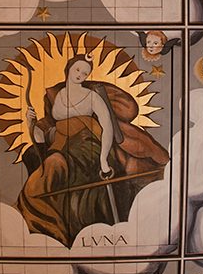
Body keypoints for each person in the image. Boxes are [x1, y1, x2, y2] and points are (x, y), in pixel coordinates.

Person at [16, 55, 169, 245]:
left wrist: (104, 160)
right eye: (77, 69)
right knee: (39, 158)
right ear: (68, 69)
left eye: (85, 72)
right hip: (60, 145)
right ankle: (43, 219)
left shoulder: (92, 96)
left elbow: (107, 128)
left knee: (55, 164)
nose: (80, 74)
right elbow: (47, 130)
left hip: (87, 145)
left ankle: (39, 213)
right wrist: (32, 124)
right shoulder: (55, 95)